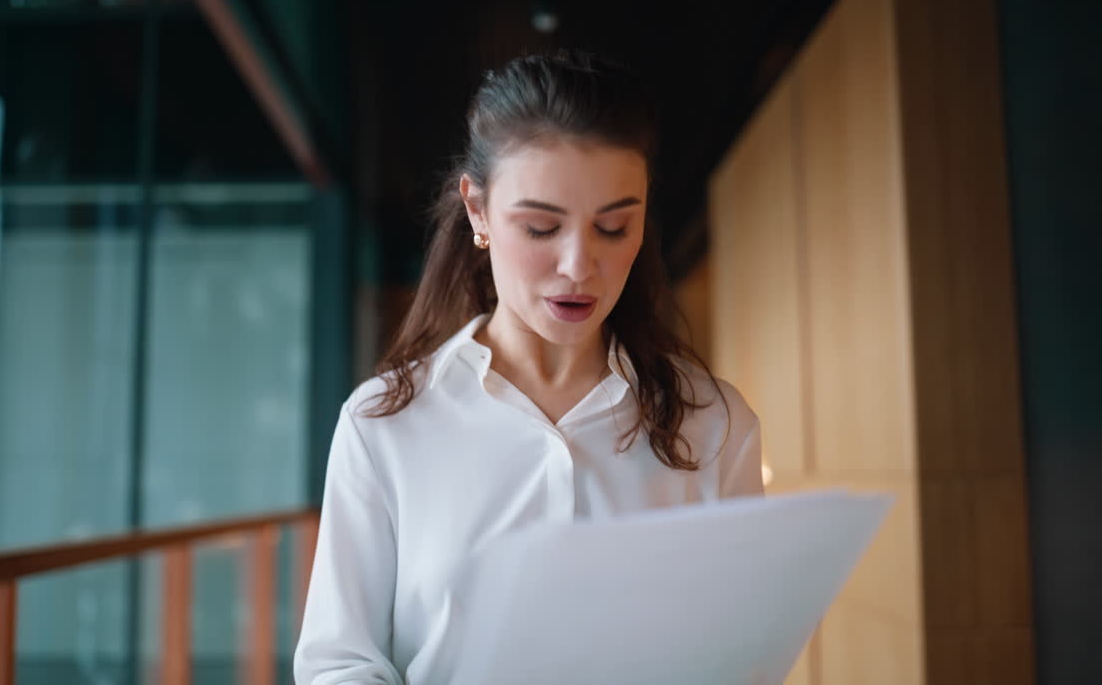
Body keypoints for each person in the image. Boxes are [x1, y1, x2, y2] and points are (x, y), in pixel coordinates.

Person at [294, 50, 763, 685]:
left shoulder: (715, 424)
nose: (579, 265)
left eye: (614, 227)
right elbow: (340, 664)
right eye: (541, 228)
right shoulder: (385, 425)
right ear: (478, 211)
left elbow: (746, 659)